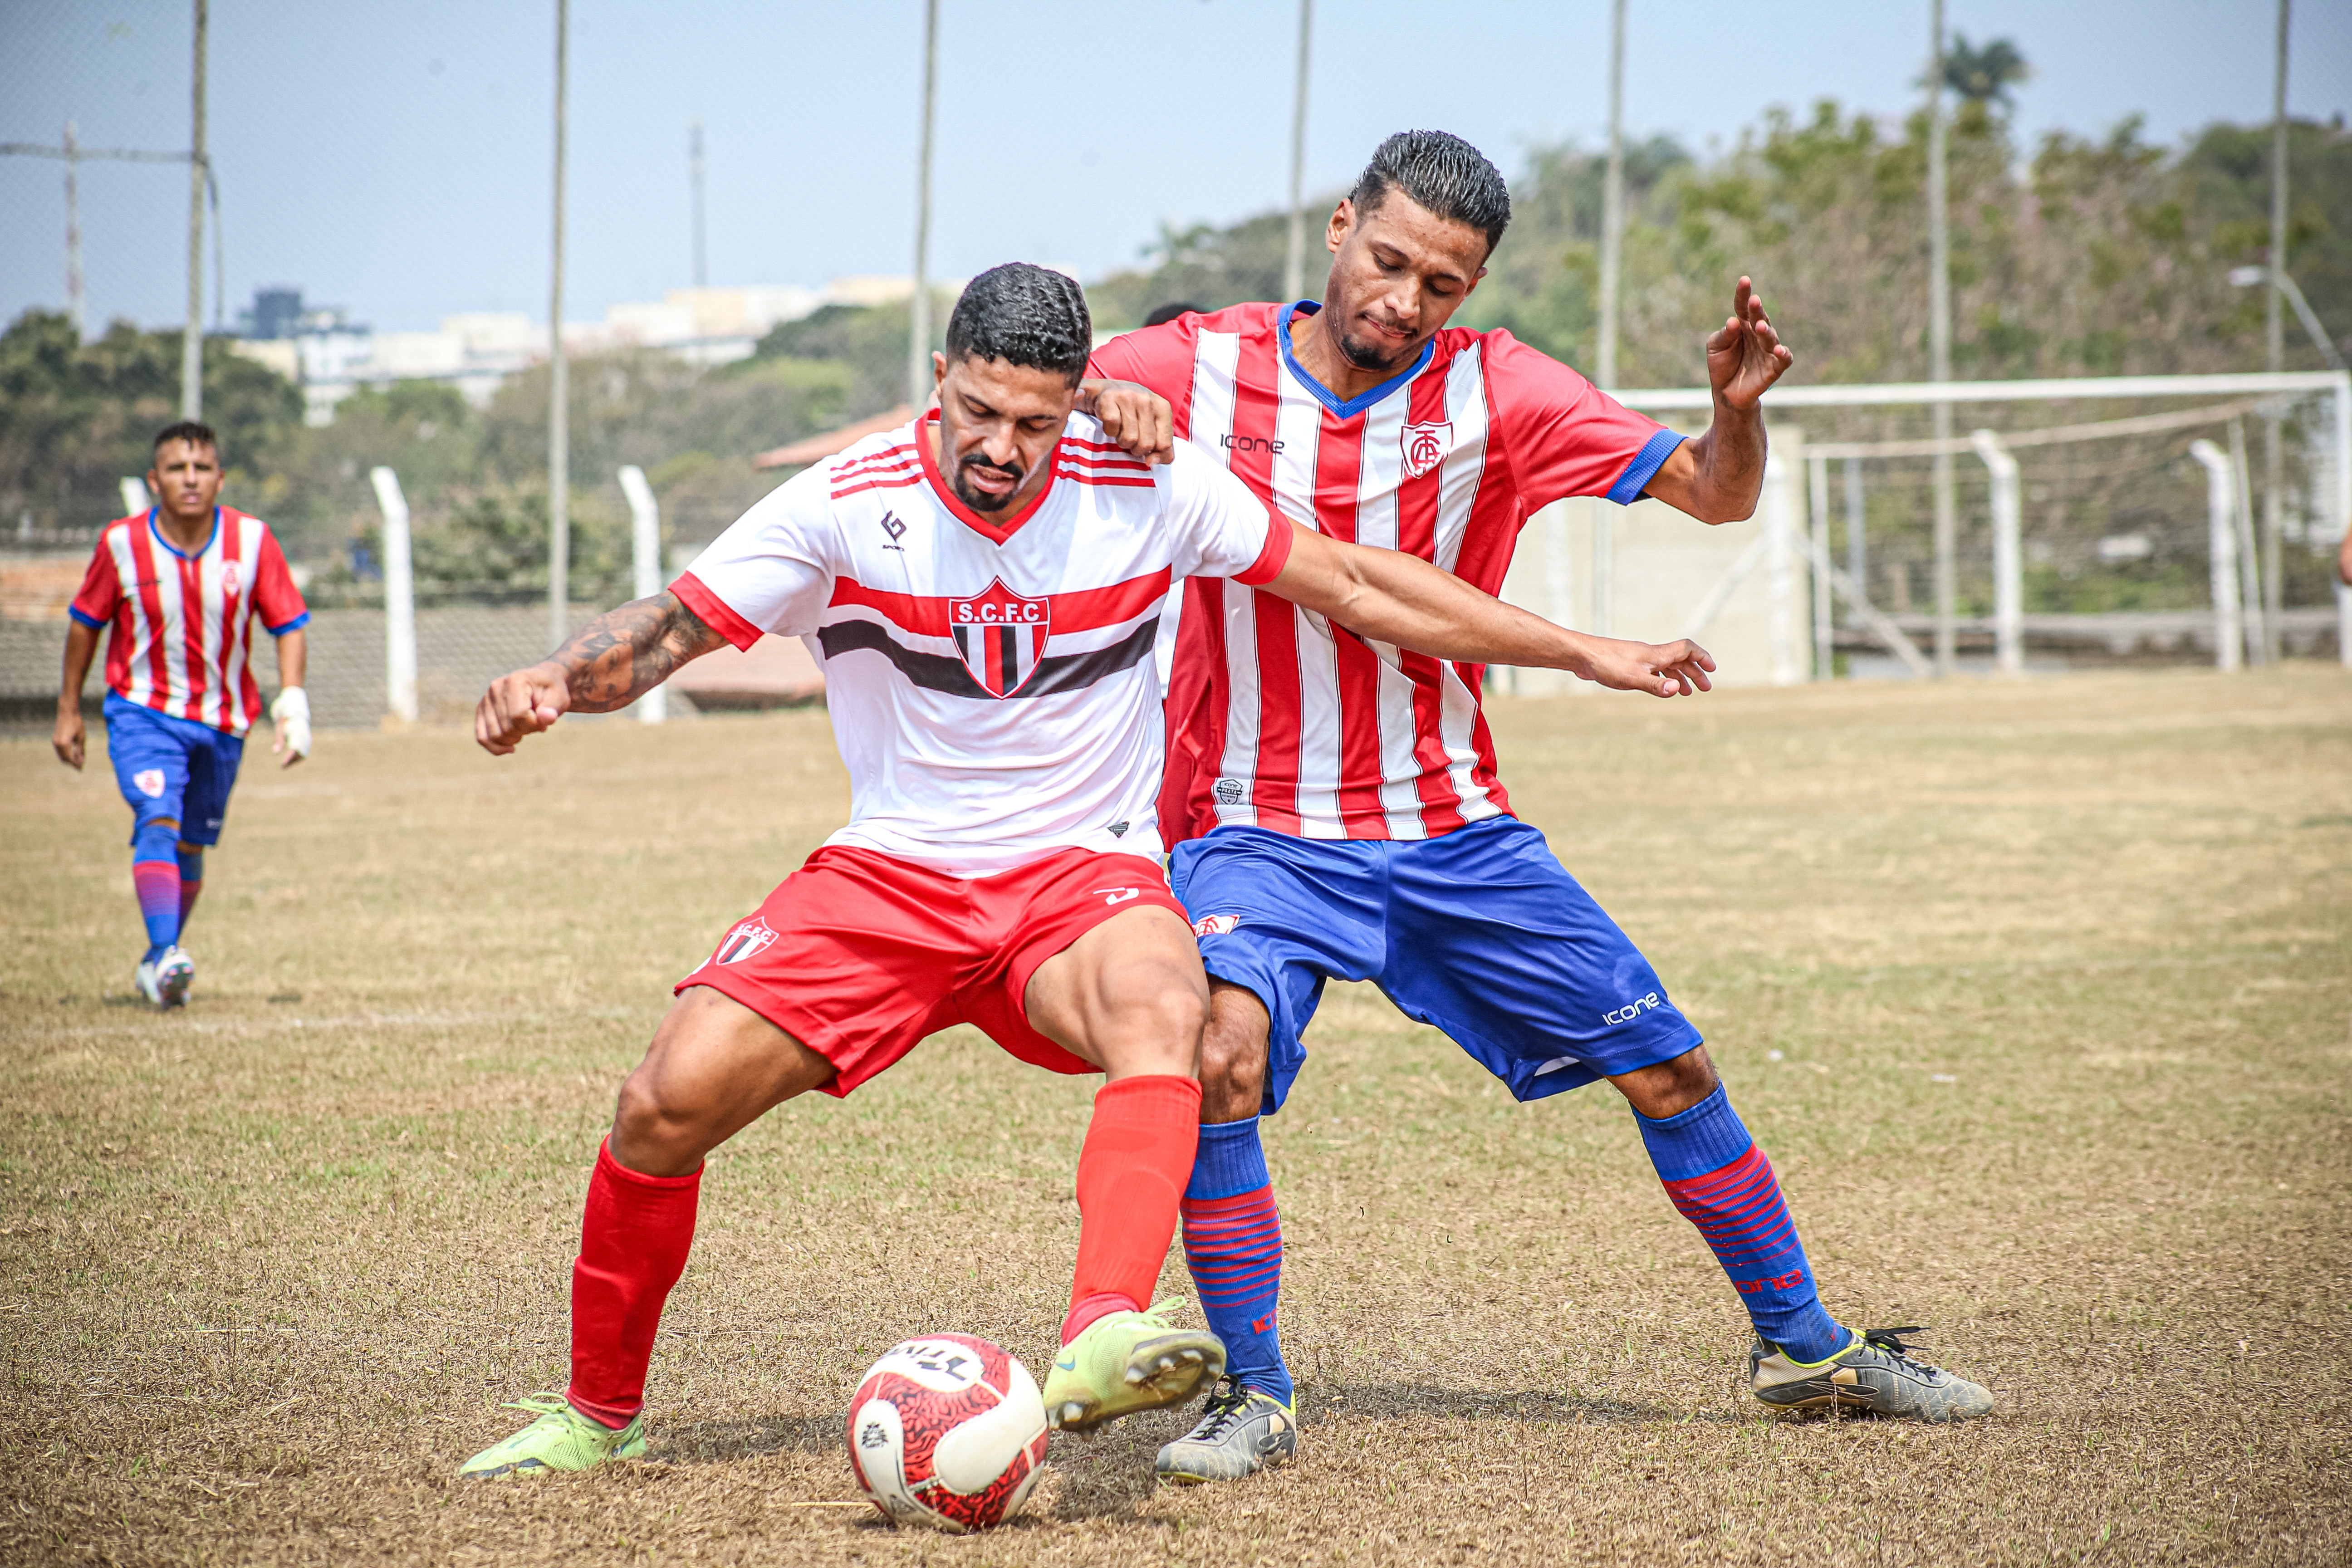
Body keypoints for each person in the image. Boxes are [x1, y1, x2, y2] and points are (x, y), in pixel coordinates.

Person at [455, 264, 1705, 1480]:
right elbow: (671, 629)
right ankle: (593, 1417)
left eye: (1036, 422)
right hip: (891, 874)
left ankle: (1105, 1325)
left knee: (1169, 1010)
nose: (1001, 447)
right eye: (978, 412)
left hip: (1081, 874)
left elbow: (1360, 583)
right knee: (662, 1105)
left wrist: (1586, 652)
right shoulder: (843, 501)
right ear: (937, 379)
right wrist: (558, 682)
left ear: (1076, 403)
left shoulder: (1150, 484)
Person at [1086, 130, 1995, 1483]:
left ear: (1475, 289)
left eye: (1442, 285)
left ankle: (1804, 1347)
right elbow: (1031, 390)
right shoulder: (1196, 361)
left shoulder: (1503, 391)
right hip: (1251, 827)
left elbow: (1714, 497)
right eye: (1387, 261)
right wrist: (1110, 402)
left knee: (1668, 1064)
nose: (1404, 300)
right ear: (1340, 227)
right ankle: (1257, 1395)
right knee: (1220, 1056)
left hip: (1452, 825)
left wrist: (1736, 413)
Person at [54, 421, 313, 1009]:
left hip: (224, 720)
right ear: (155, 480)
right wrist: (69, 708)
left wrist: (293, 701)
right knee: (158, 818)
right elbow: (85, 623)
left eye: (201, 469)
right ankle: (169, 950)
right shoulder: (122, 544)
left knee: (192, 844)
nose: (190, 480)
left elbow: (289, 623)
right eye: (176, 468)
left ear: (220, 478)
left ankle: (157, 961)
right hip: (144, 713)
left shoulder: (252, 541)